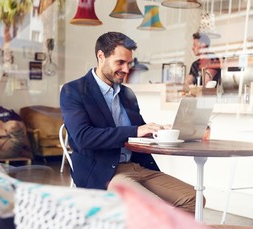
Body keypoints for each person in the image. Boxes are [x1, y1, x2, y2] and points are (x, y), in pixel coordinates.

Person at [60, 32, 200, 214]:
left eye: (129, 63)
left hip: (137, 167)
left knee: (195, 199)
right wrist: (135, 130)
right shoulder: (74, 91)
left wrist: (158, 131)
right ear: (101, 56)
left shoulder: (127, 95)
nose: (126, 70)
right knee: (158, 209)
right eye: (120, 62)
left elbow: (139, 133)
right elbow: (83, 138)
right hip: (103, 172)